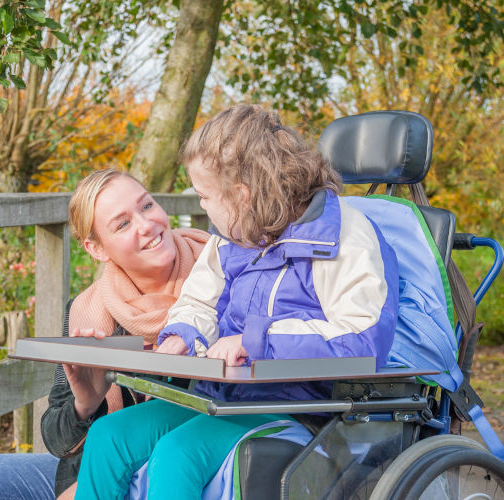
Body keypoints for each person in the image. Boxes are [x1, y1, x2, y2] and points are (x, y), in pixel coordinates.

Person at [73, 104, 400, 499]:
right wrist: (182, 335)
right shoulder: (232, 238)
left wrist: (254, 341)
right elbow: (199, 303)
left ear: (241, 196)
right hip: (227, 398)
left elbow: (362, 339)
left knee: (178, 454)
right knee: (111, 435)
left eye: (205, 196)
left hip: (306, 408)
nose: (203, 208)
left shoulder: (344, 236)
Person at [0, 169, 209, 499]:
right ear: (97, 249)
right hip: (91, 471)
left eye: (147, 206)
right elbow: (57, 438)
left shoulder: (220, 279)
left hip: (182, 469)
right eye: (122, 224)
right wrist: (86, 404)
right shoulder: (87, 310)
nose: (147, 224)